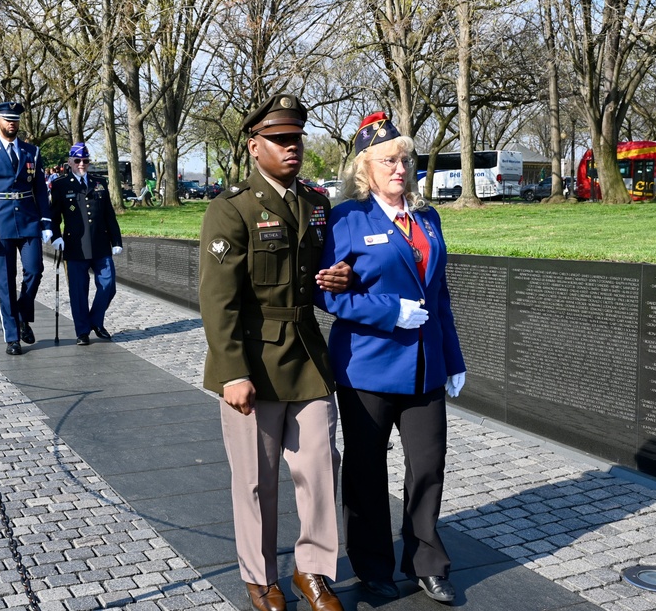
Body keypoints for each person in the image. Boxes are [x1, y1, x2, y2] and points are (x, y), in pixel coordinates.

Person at [198, 93, 352, 611]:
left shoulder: (315, 202)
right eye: (280, 140)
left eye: (297, 140)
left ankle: (312, 570)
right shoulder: (232, 207)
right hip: (253, 360)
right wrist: (231, 372)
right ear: (254, 145)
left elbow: (322, 276)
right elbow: (218, 301)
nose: (292, 149)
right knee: (256, 480)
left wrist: (338, 279)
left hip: (307, 353)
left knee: (319, 465)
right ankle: (260, 577)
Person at [318, 112, 466, 604]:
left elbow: (439, 293)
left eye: (405, 159)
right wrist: (388, 312)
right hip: (368, 365)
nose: (400, 168)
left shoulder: (427, 217)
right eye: (388, 160)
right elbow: (327, 294)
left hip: (426, 365)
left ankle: (426, 561)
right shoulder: (347, 219)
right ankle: (373, 565)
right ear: (366, 167)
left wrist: (454, 356)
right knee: (365, 472)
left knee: (428, 466)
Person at [0, 101, 53, 356]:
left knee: (35, 270)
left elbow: (40, 189)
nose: (12, 123)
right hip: (1, 222)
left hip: (29, 220)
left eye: (15, 119)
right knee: (6, 282)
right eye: (7, 119)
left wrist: (47, 222)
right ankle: (12, 337)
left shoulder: (32, 152)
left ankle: (21, 314)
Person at [49, 143, 123, 344]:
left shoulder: (100, 182)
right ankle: (82, 331)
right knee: (78, 291)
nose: (82, 164)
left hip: (100, 242)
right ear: (70, 162)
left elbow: (109, 214)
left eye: (86, 161)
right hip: (75, 246)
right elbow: (53, 217)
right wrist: (55, 237)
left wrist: (116, 240)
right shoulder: (60, 185)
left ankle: (96, 321)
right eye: (78, 160)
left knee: (108, 285)